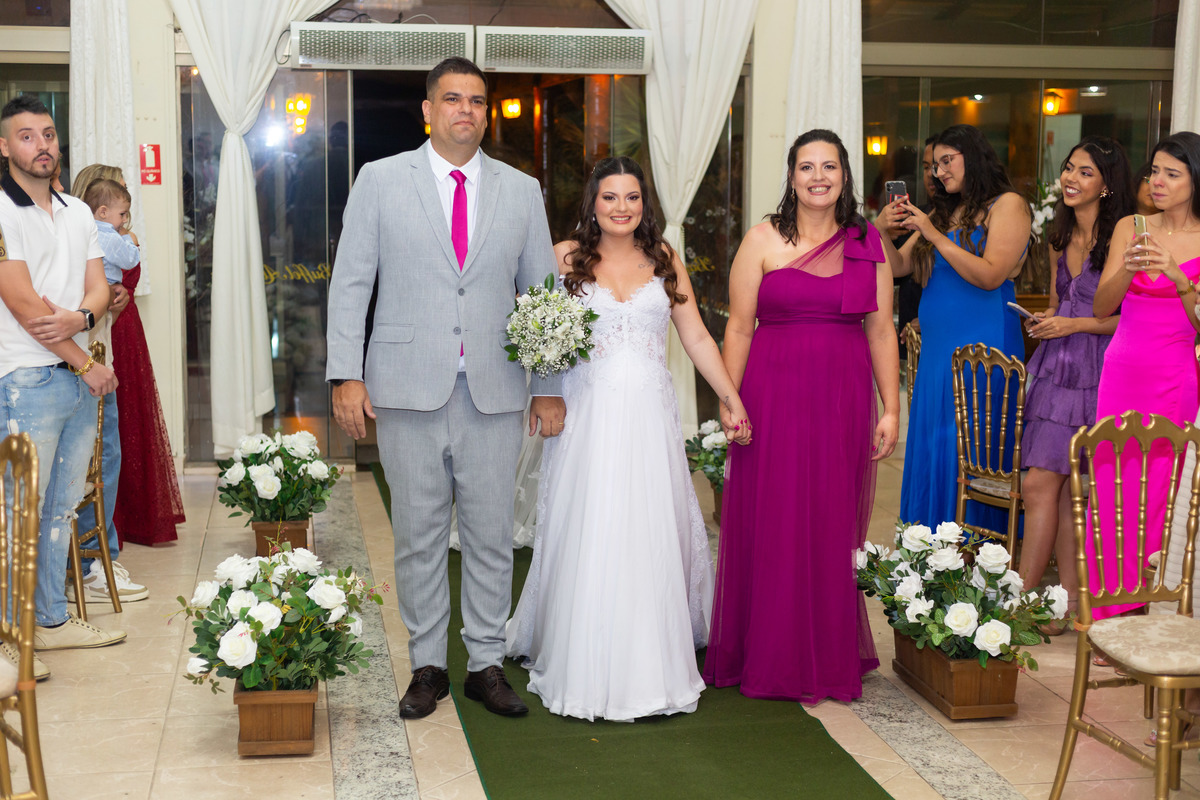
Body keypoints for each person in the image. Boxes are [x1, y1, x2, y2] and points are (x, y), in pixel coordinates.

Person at [326, 57, 565, 720]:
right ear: (428, 110)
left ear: (487, 114)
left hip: (495, 389)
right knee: (418, 535)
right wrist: (346, 373)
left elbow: (542, 292)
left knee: (491, 534)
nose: (467, 110)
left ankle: (485, 664)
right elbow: (352, 283)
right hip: (405, 389)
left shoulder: (521, 190)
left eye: (477, 101)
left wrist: (548, 384)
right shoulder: (380, 180)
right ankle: (428, 666)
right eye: (453, 99)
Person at [505, 156, 751, 720]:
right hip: (586, 416)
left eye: (633, 197)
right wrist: (541, 388)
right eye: (611, 197)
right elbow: (533, 330)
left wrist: (730, 396)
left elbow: (696, 337)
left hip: (647, 417)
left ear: (645, 204)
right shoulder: (563, 258)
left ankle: (649, 652)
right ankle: (581, 650)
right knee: (590, 522)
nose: (622, 207)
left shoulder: (664, 258)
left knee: (646, 524)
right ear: (593, 202)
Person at [702, 129, 899, 703]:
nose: (819, 177)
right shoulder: (762, 238)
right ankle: (765, 650)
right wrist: (731, 400)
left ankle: (824, 653)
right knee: (774, 517)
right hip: (773, 394)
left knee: (830, 521)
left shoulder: (866, 242)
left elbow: (881, 331)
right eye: (807, 167)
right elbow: (739, 328)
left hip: (841, 398)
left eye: (829, 167)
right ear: (791, 176)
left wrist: (891, 408)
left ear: (845, 176)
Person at [0, 95, 127, 681]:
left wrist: (81, 317)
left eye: (48, 134)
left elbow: (97, 287)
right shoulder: (2, 211)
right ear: (5, 147)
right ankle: (11, 635)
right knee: (20, 513)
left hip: (73, 377)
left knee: (61, 508)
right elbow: (26, 306)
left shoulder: (77, 211)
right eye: (27, 136)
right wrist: (84, 360)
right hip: (25, 378)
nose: (41, 145)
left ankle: (49, 621)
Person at [878, 124, 1030, 531]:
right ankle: (931, 545)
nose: (938, 172)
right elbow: (898, 267)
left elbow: (991, 275)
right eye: (934, 165)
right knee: (935, 441)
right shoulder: (944, 212)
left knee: (971, 444)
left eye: (947, 161)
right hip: (938, 350)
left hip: (984, 345)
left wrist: (934, 234)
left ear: (974, 156)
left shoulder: (1008, 205)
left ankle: (978, 547)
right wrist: (881, 230)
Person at [1016, 137, 1132, 622]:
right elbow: (1060, 302)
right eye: (1069, 168)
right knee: (1058, 490)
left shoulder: (1123, 238)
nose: (1070, 178)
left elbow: (1129, 318)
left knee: (1044, 485)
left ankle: (1019, 603)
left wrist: (1072, 324)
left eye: (1085, 172)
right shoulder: (1059, 237)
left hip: (1100, 368)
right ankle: (1062, 603)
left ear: (1107, 185)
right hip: (1056, 367)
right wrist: (1046, 319)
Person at [1088, 131, 1200, 622]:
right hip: (1121, 372)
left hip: (1174, 375)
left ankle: (1151, 611)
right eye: (1155, 171)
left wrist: (1178, 277)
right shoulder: (1130, 226)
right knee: (1112, 487)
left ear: (1195, 181)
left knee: (1162, 492)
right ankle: (1108, 611)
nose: (1157, 181)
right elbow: (1101, 306)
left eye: (1172, 174)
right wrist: (1128, 270)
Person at [74, 163, 184, 553]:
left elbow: (125, 283)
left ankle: (131, 518)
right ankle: (105, 527)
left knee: (129, 422)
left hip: (125, 330)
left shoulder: (123, 236)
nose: (127, 200)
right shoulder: (89, 235)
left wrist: (123, 296)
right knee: (102, 431)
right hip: (99, 331)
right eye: (119, 189)